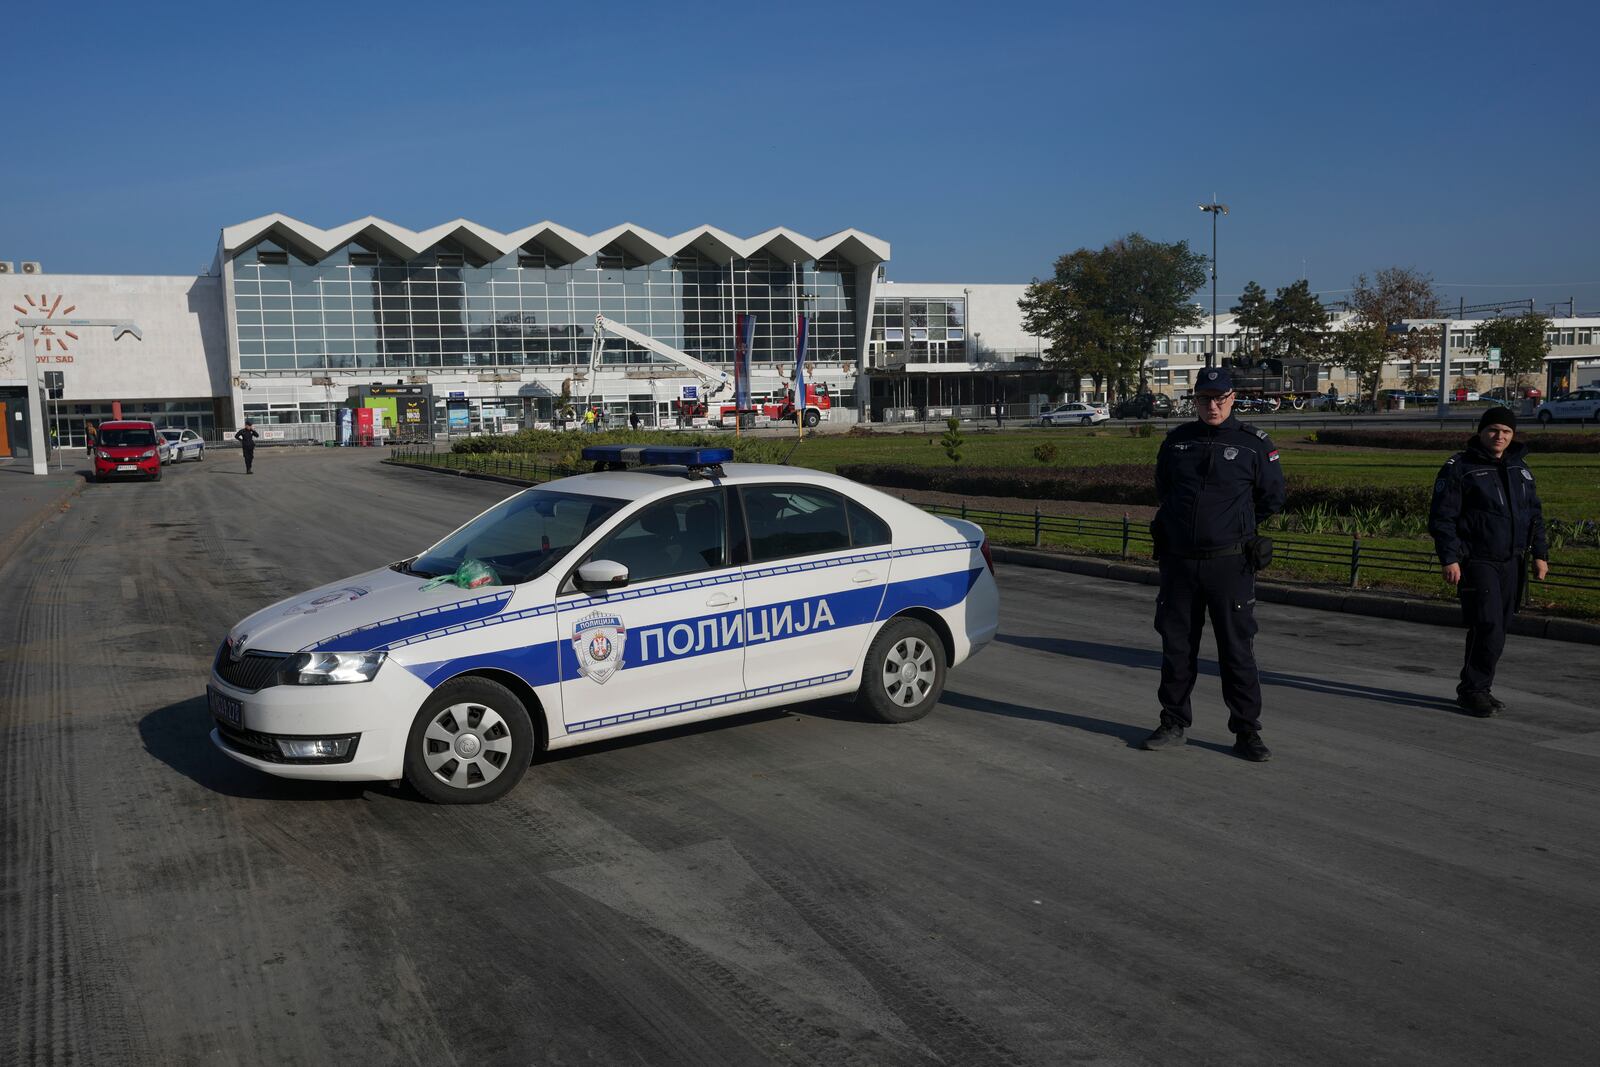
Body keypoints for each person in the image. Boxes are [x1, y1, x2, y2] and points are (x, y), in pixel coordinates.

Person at [1143, 366, 1287, 761]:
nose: (1212, 405)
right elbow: (1164, 489)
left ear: (1232, 399)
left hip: (1230, 565)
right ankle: (1173, 723)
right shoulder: (1177, 442)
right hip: (1180, 565)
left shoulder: (1253, 444)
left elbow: (1272, 497)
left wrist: (1235, 527)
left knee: (1237, 652)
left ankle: (1246, 732)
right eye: (1205, 398)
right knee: (1177, 649)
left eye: (1220, 398)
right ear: (1195, 400)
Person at [1427, 406, 1549, 716]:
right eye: (1493, 430)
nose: (1500, 436)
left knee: (1497, 627)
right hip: (1477, 560)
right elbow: (1443, 517)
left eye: (1506, 432)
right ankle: (1474, 690)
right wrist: (1450, 558)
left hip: (1511, 561)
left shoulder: (1520, 469)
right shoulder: (1460, 467)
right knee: (1489, 624)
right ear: (1481, 432)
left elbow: (1534, 515)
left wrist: (1540, 554)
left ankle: (1477, 686)